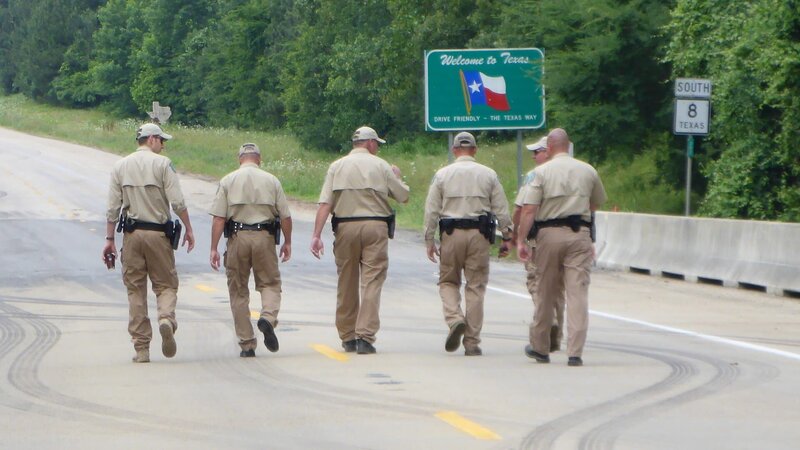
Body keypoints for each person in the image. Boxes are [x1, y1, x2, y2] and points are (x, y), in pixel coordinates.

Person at [310, 126, 409, 355]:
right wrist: (397, 177)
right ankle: (365, 336)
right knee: (372, 281)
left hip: (345, 227)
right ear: (370, 143)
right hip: (375, 226)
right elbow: (403, 196)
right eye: (377, 144)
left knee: (347, 281)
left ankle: (347, 336)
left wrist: (316, 235)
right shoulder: (382, 166)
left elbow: (325, 203)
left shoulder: (337, 166)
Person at [102, 123, 195, 363]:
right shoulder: (163, 164)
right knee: (166, 284)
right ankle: (166, 318)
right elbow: (177, 202)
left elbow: (113, 207)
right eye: (162, 140)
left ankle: (141, 348)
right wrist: (189, 228)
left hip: (132, 236)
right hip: (158, 235)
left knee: (135, 290)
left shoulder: (120, 166)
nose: (163, 145)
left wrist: (110, 239)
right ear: (151, 139)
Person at [516, 128, 606, 367]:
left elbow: (529, 209)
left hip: (549, 234)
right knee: (577, 293)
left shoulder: (540, 173)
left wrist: (521, 240)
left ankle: (541, 347)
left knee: (546, 291)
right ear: (568, 145)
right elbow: (595, 203)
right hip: (580, 234)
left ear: (550, 147)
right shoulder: (588, 170)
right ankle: (575, 352)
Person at [423, 131, 512, 356]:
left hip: (451, 234)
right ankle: (472, 342)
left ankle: (454, 319)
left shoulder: (442, 175)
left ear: (454, 150)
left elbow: (431, 209)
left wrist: (429, 239)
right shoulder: (489, 174)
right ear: (474, 150)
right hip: (479, 235)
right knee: (475, 286)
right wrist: (508, 236)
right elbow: (501, 207)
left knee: (448, 282)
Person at [209, 143, 293, 358]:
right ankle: (267, 316)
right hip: (264, 237)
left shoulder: (228, 180)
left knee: (238, 290)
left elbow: (219, 218)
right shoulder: (271, 180)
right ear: (259, 159)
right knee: (270, 283)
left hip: (238, 238)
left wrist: (214, 248)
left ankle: (247, 344)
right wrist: (288, 242)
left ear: (240, 159)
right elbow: (285, 216)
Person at [511, 136, 565, 352]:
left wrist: (516, 235)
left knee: (537, 282)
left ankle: (548, 323)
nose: (534, 156)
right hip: (569, 236)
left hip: (540, 238)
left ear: (548, 151)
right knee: (559, 287)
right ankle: (557, 337)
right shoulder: (573, 172)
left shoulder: (535, 176)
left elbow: (522, 208)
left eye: (538, 151)